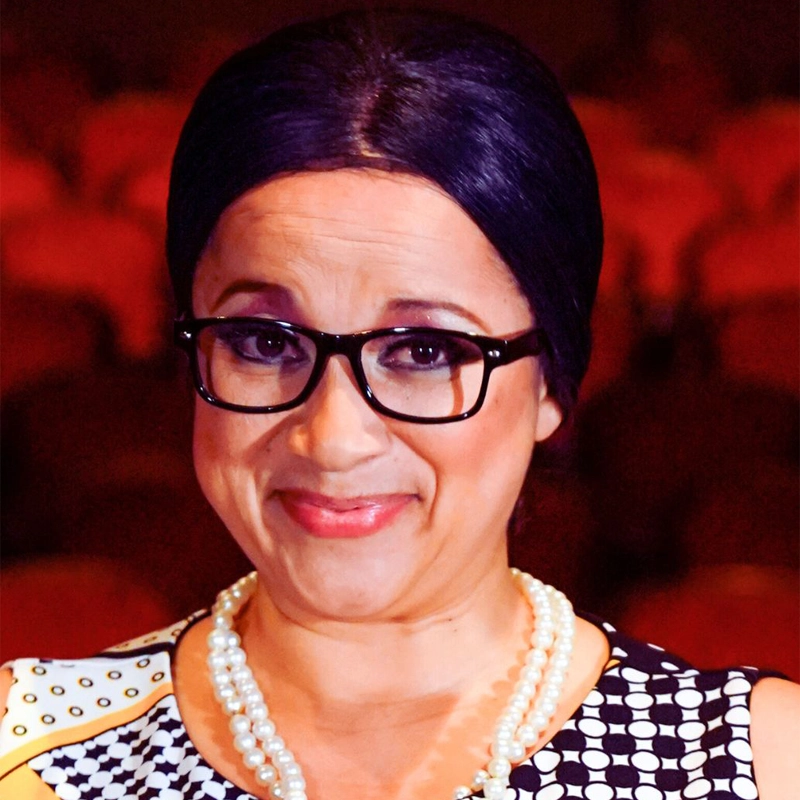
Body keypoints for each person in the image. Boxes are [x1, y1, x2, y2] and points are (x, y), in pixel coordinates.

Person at [1, 10, 797, 800]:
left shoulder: (764, 764)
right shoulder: (28, 748)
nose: (334, 438)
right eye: (267, 343)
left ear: (552, 381)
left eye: (424, 352)